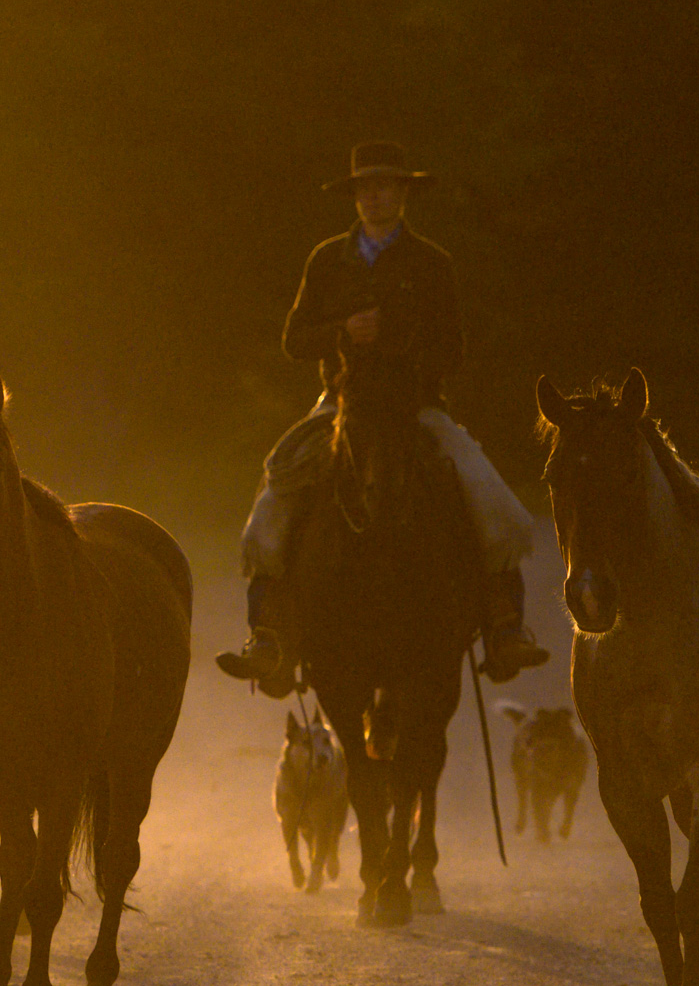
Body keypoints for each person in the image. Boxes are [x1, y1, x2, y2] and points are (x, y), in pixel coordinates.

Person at [217, 141, 549, 696]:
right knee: (273, 503)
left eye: (386, 186)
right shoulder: (326, 259)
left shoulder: (432, 262)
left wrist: (400, 343)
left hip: (417, 408)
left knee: (494, 500)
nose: (375, 196)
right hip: (340, 405)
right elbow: (294, 340)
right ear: (355, 196)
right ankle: (269, 638)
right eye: (366, 188)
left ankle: (505, 628)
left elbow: (455, 350)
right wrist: (343, 332)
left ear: (403, 193)